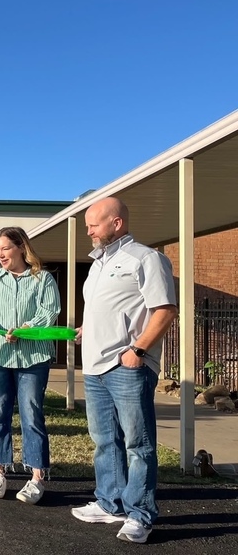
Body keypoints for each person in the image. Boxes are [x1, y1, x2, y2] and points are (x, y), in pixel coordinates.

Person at [71, 196, 177, 544]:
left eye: (94, 225)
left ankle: (140, 515)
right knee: (105, 440)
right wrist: (89, 329)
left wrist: (137, 350)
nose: (89, 231)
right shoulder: (98, 264)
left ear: (116, 223)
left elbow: (165, 310)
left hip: (127, 367)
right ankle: (110, 504)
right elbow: (113, 309)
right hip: (95, 367)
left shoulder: (146, 259)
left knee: (138, 443)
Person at [0, 226, 61, 505]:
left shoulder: (43, 279)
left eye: (5, 248)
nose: (0, 254)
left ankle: (37, 478)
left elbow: (50, 311)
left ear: (21, 247)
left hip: (33, 358)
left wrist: (25, 329)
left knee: (32, 414)